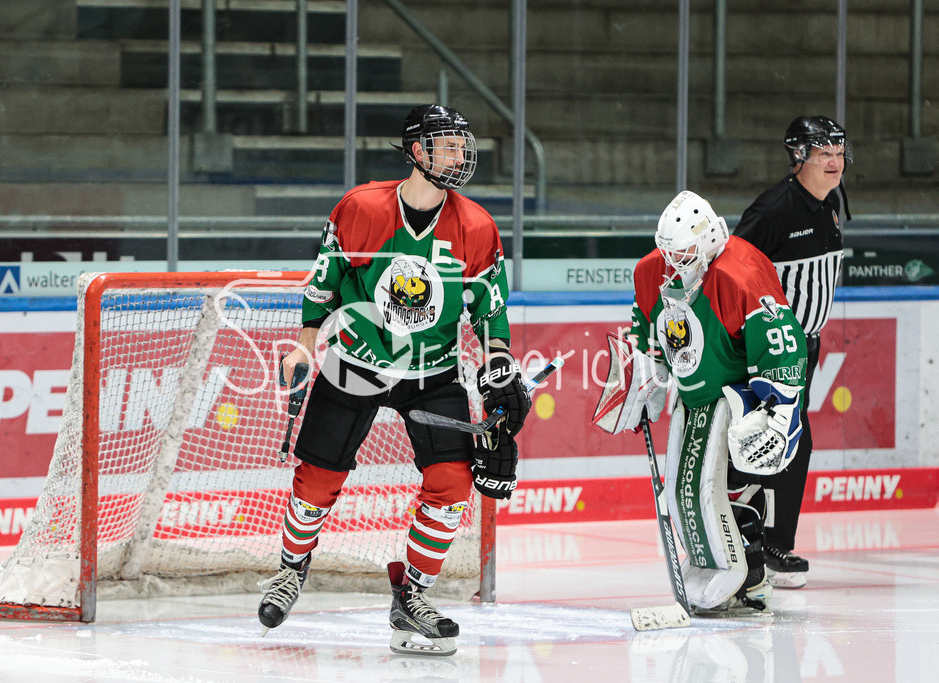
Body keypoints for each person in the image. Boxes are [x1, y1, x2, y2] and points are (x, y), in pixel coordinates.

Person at [259, 104, 530, 656]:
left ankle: (412, 595)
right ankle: (290, 570)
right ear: (416, 152)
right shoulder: (360, 208)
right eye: (447, 145)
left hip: (433, 369)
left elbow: (489, 310)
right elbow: (324, 283)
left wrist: (499, 364)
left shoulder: (477, 226)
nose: (459, 155)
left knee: (452, 484)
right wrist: (306, 344)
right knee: (316, 479)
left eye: (462, 145)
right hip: (355, 361)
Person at [593, 190, 807, 614]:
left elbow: (781, 343)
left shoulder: (741, 272)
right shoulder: (651, 270)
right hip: (692, 397)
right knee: (685, 490)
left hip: (739, 394)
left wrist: (779, 409)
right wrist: (645, 379)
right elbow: (647, 332)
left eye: (684, 254)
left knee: (731, 484)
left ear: (710, 242)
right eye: (668, 252)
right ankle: (716, 568)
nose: (674, 263)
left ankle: (751, 579)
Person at [732, 115, 849, 589]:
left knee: (783, 441)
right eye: (824, 154)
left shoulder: (830, 202)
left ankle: (765, 544)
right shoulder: (774, 209)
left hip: (805, 348)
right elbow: (731, 270)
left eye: (839, 153)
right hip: (772, 352)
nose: (835, 162)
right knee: (779, 441)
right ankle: (764, 545)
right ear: (799, 157)